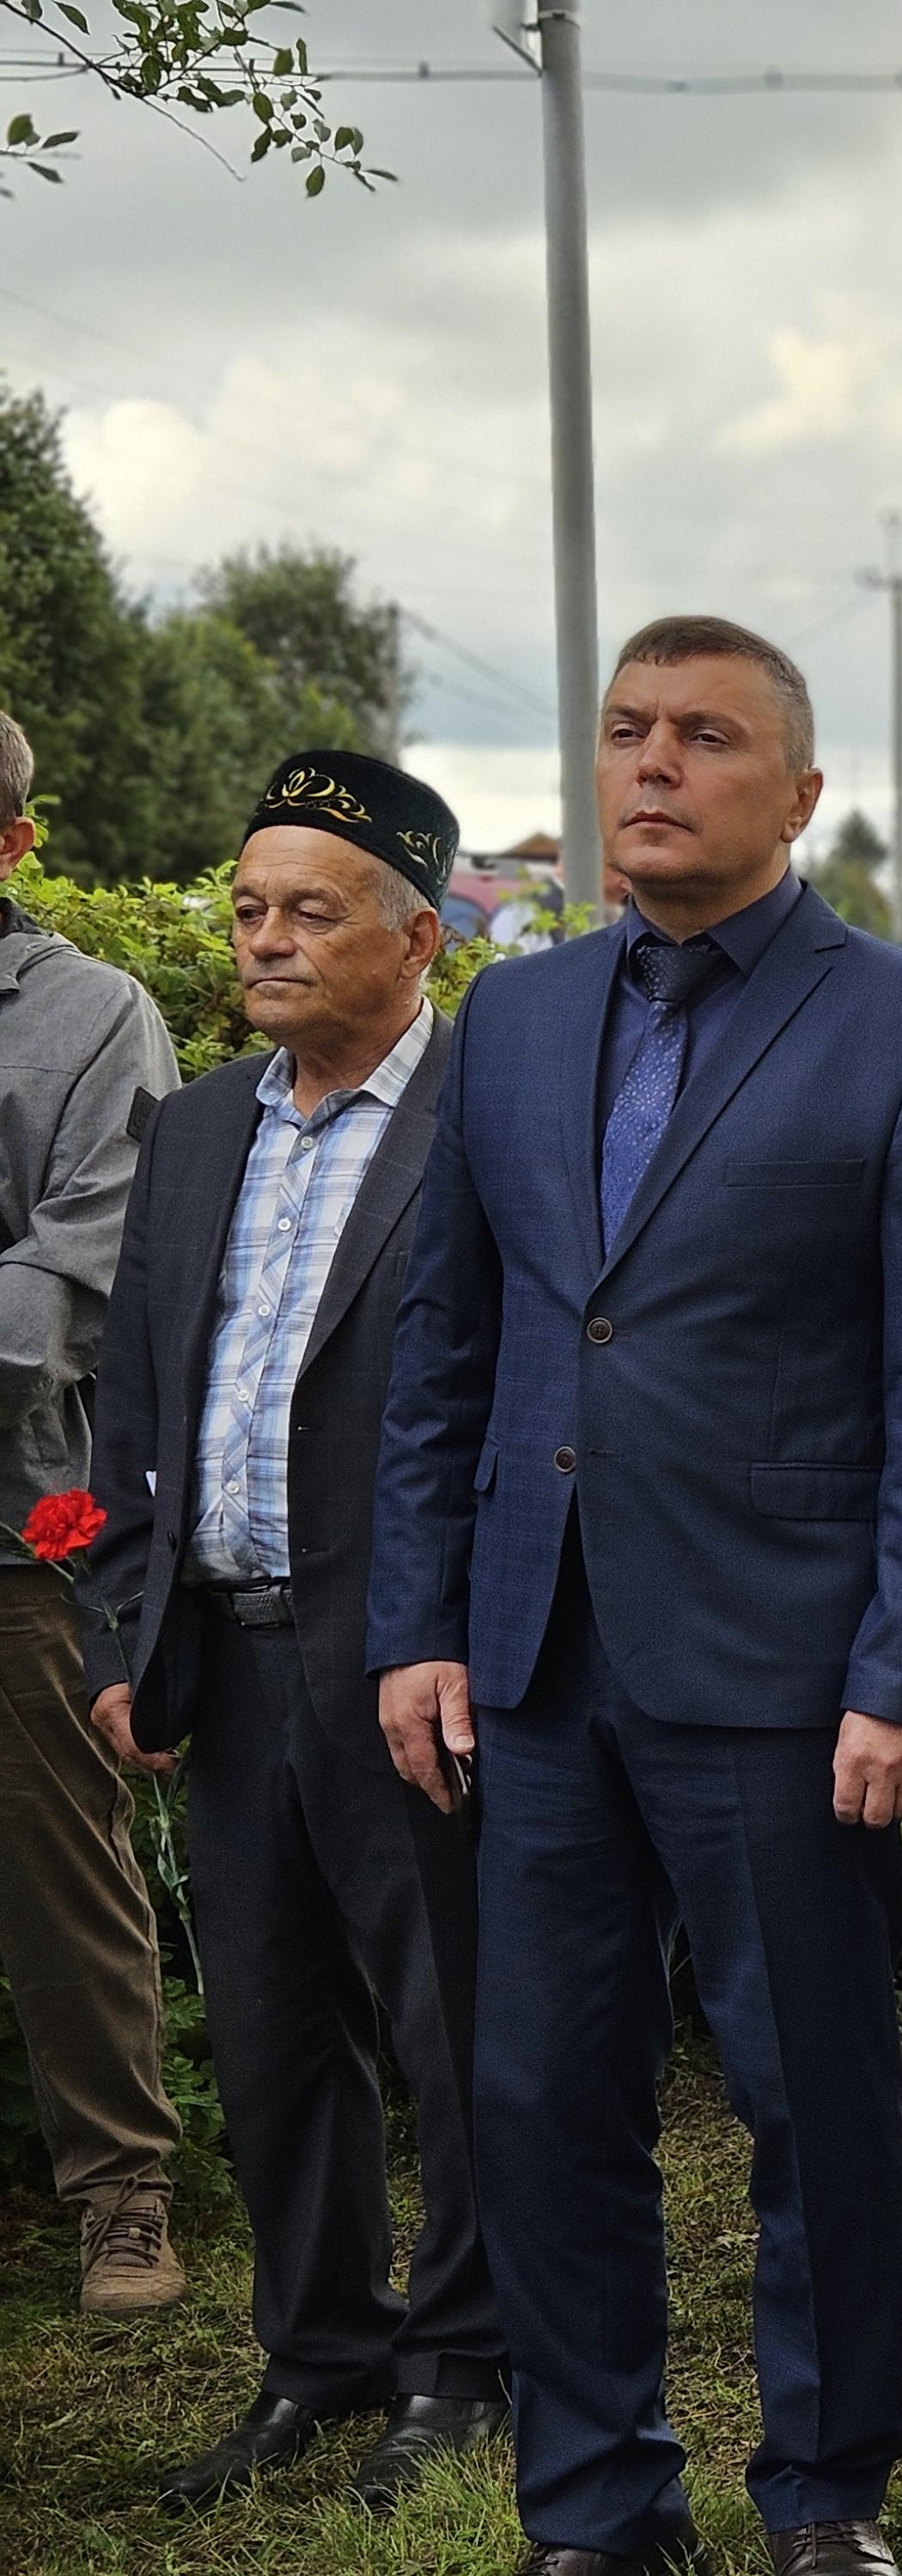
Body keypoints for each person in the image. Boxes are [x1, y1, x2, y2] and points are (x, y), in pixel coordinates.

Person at [366, 617, 902, 2576]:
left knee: (807, 2103)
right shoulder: (507, 1020)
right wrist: (421, 1621)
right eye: (627, 731)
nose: (655, 764)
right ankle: (596, 2500)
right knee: (541, 2096)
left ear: (802, 791)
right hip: (542, 1659)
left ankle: (824, 2492)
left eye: (708, 736)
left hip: (786, 1669)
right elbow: (448, 1352)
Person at [79, 751, 508, 2513]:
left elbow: (519, 1402)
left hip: (412, 1670)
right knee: (266, 2032)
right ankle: (319, 2353)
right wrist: (124, 1632)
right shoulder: (194, 1127)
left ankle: (465, 2364)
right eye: (248, 909)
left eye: (306, 912)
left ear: (416, 940)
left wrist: (476, 1635)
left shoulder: (482, 1123)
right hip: (226, 1658)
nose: (262, 941)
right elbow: (134, 1396)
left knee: (452, 2024)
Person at [0, 704, 189, 2318]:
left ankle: (121, 2189)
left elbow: (85, 1272)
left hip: (19, 1531)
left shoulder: (94, 1018)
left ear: (12, 842)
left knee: (61, 1872)